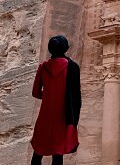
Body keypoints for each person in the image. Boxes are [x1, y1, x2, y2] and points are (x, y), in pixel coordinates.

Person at [30, 35, 81, 165]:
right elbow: (76, 96)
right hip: (62, 116)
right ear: (65, 49)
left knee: (38, 152)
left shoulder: (43, 67)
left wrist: (47, 95)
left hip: (45, 116)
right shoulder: (72, 67)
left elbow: (35, 93)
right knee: (58, 154)